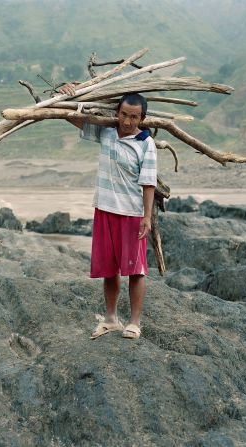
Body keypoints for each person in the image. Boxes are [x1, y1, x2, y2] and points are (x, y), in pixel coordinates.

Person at [59, 83, 157, 340]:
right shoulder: (107, 133)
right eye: (123, 114)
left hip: (132, 214)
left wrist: (146, 217)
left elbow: (148, 184)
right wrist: (70, 93)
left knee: (136, 270)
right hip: (104, 209)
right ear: (117, 112)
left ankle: (135, 322)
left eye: (133, 116)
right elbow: (72, 117)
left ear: (142, 118)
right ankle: (111, 319)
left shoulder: (147, 144)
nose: (127, 120)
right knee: (109, 268)